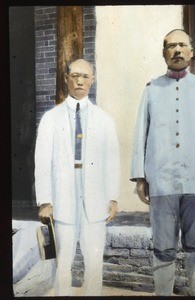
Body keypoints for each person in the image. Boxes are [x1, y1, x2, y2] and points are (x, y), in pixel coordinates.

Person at [130, 29, 195, 296]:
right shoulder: (150, 90)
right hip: (161, 183)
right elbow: (140, 134)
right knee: (163, 248)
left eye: (182, 45)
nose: (176, 50)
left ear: (191, 51)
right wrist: (140, 178)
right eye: (171, 46)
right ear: (164, 53)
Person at [35, 58, 120, 296]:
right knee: (63, 262)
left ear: (92, 80)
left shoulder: (104, 119)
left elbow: (112, 159)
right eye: (74, 76)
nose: (79, 81)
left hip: (95, 198)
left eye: (85, 76)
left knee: (94, 263)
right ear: (66, 79)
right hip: (63, 198)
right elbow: (41, 161)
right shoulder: (51, 118)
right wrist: (44, 200)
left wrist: (113, 196)